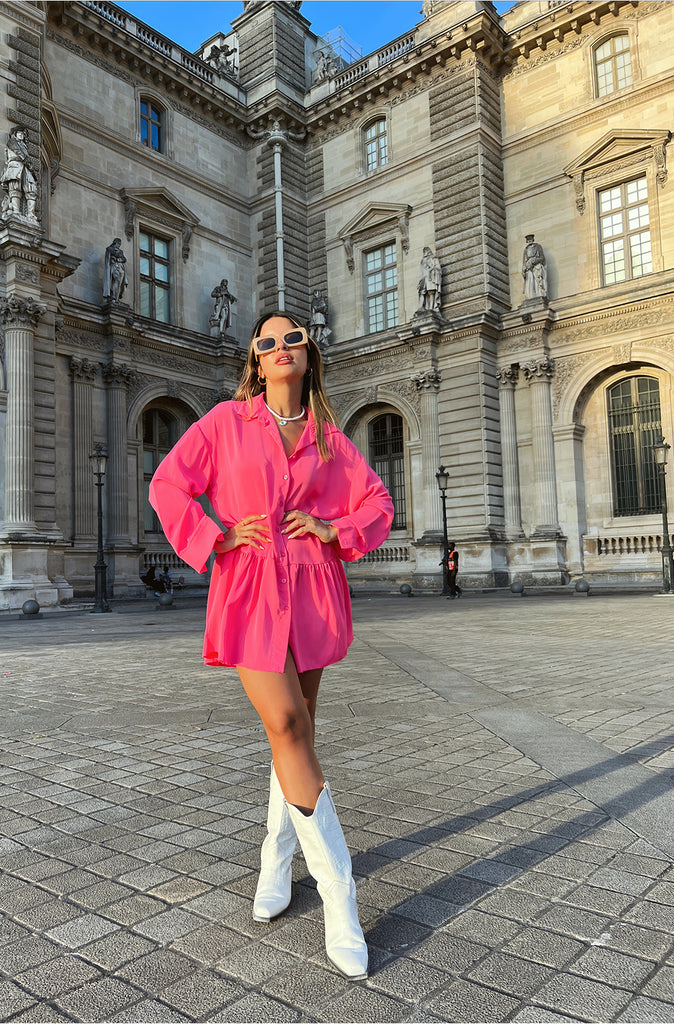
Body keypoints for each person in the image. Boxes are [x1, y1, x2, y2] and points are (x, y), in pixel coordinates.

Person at [149, 311, 394, 980]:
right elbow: (168, 484)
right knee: (285, 722)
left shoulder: (329, 438)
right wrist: (215, 536)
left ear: (308, 355)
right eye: (267, 342)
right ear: (255, 362)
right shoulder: (224, 423)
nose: (281, 347)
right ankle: (341, 899)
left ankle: (274, 862)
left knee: (298, 732)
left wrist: (333, 528)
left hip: (312, 588)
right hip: (250, 588)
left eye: (293, 339)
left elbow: (377, 502)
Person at [0, 128, 38, 221]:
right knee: (15, 188)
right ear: (15, 134)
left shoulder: (24, 146)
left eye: (23, 134)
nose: (21, 135)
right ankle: (16, 211)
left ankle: (31, 214)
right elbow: (18, 152)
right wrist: (26, 160)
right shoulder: (12, 142)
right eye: (19, 133)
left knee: (31, 189)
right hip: (15, 166)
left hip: (25, 168)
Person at [521, 233, 547, 301]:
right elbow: (524, 261)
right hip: (529, 269)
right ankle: (531, 296)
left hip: (537, 267)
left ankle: (539, 294)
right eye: (528, 240)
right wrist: (524, 269)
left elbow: (542, 258)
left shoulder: (538, 247)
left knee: (537, 283)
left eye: (530, 239)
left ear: (533, 239)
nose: (529, 241)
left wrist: (534, 261)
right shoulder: (526, 249)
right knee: (530, 284)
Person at [103, 238, 128, 303]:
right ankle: (113, 296)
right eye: (118, 243)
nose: (119, 245)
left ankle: (116, 298)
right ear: (115, 243)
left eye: (120, 244)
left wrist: (119, 259)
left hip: (121, 268)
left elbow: (124, 259)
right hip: (114, 267)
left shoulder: (121, 251)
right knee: (117, 280)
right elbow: (110, 258)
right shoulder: (110, 249)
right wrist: (117, 258)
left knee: (120, 283)